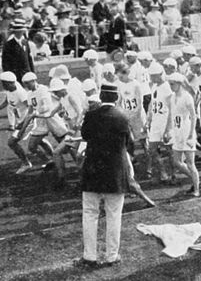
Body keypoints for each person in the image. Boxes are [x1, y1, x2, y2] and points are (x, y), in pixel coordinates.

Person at [75, 84, 130, 269]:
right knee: (114, 215)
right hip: (114, 171)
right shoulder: (122, 116)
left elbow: (84, 135)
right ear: (116, 97)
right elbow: (128, 144)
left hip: (93, 171)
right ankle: (111, 256)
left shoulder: (91, 115)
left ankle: (89, 255)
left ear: (101, 95)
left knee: (90, 214)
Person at [0, 71, 33, 174]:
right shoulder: (10, 90)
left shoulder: (20, 93)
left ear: (10, 83)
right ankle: (49, 159)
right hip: (22, 121)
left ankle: (26, 164)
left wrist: (23, 123)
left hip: (28, 121)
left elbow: (31, 108)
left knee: (12, 142)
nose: (2, 85)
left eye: (4, 83)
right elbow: (6, 101)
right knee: (37, 141)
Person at [165, 72, 200, 196]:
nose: (171, 86)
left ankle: (196, 189)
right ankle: (195, 179)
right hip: (177, 133)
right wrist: (168, 130)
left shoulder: (187, 97)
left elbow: (194, 116)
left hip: (186, 133)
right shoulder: (172, 97)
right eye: (170, 84)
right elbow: (171, 115)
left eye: (173, 84)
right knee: (177, 161)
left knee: (190, 163)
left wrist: (191, 134)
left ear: (179, 84)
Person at [2, 18, 35, 82]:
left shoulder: (25, 42)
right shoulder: (8, 45)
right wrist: (9, 77)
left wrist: (32, 73)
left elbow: (29, 59)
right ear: (15, 32)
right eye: (18, 31)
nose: (20, 32)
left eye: (22, 31)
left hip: (27, 74)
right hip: (16, 75)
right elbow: (5, 63)